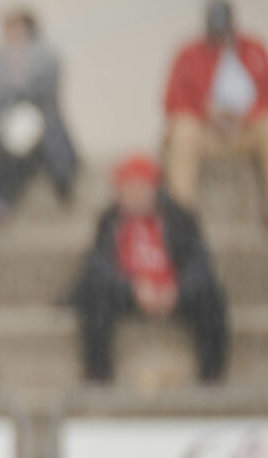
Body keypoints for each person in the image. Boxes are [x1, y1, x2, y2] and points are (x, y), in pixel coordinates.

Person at [68, 154, 229, 384]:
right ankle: (98, 375)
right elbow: (98, 265)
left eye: (139, 188)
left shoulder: (179, 217)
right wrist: (132, 289)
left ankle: (212, 374)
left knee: (212, 297)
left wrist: (177, 290)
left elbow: (200, 263)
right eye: (127, 188)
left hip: (172, 290)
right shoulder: (109, 219)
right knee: (95, 296)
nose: (133, 195)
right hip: (130, 291)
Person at [162, 0, 268, 232]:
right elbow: (171, 101)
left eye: (223, 30)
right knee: (182, 131)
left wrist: (245, 114)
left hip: (245, 130)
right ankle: (180, 215)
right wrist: (205, 112)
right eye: (215, 31)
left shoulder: (255, 49)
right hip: (206, 132)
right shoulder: (189, 53)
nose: (220, 37)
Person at [0, 5, 77, 213]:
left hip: (36, 117)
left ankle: (62, 181)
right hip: (5, 122)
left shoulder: (45, 56)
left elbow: (42, 90)